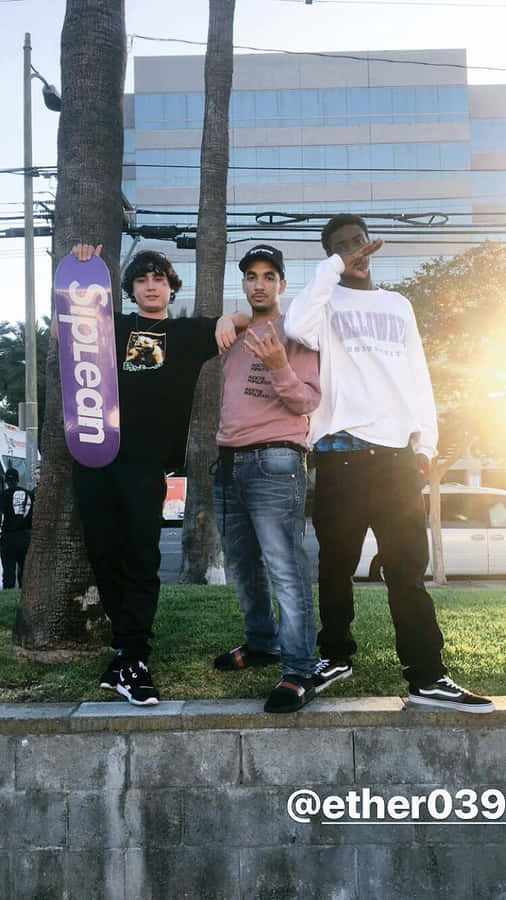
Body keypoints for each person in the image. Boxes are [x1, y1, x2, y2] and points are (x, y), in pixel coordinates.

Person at [284, 214, 494, 713]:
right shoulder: (323, 301)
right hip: (341, 456)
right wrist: (334, 269)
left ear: (371, 245)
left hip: (398, 459)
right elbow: (294, 327)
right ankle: (335, 655)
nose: (355, 251)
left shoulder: (398, 304)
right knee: (335, 567)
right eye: (341, 246)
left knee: (407, 571)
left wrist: (426, 445)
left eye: (358, 241)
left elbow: (418, 376)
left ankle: (427, 676)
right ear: (331, 256)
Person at [53, 243, 247, 706]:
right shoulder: (109, 327)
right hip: (95, 456)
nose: (151, 286)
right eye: (142, 280)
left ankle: (133, 656)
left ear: (171, 286)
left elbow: (248, 319)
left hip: (145, 464)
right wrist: (83, 263)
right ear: (131, 290)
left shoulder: (186, 334)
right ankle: (125, 654)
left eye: (159, 279)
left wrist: (228, 319)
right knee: (104, 555)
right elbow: (68, 321)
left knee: (141, 557)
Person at [213, 245, 321, 713]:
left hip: (276, 459)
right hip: (228, 459)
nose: (259, 284)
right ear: (243, 284)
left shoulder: (298, 332)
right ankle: (262, 644)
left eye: (269, 276)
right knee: (242, 565)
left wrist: (278, 363)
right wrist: (230, 319)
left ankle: (300, 670)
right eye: (251, 276)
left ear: (282, 284)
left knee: (285, 568)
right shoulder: (233, 332)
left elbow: (307, 402)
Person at [0, 468, 33, 589]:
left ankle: (8, 592)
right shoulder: (29, 494)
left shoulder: (3, 495)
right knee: (24, 569)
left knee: (8, 570)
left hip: (8, 537)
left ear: (6, 481)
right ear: (18, 479)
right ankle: (24, 591)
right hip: (25, 536)